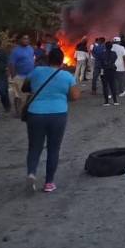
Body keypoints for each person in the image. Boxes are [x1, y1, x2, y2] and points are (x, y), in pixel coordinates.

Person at [22, 46, 79, 194]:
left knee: (34, 147)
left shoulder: (36, 71)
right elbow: (75, 97)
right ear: (62, 61)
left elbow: (25, 88)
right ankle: (49, 183)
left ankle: (31, 174)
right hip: (58, 113)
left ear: (48, 60)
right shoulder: (67, 76)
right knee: (53, 149)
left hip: (35, 113)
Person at [9, 34, 36, 113]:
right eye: (24, 39)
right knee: (18, 95)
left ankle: (26, 110)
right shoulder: (15, 51)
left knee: (28, 94)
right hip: (19, 76)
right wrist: (14, 76)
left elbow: (31, 59)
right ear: (20, 40)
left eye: (27, 39)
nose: (26, 40)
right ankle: (18, 112)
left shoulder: (30, 49)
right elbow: (11, 64)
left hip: (30, 76)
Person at [100, 40, 120, 105]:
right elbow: (115, 59)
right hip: (112, 70)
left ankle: (106, 102)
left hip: (105, 71)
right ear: (111, 47)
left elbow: (101, 62)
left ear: (105, 47)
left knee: (105, 86)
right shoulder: (114, 53)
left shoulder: (102, 54)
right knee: (113, 85)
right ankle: (115, 101)